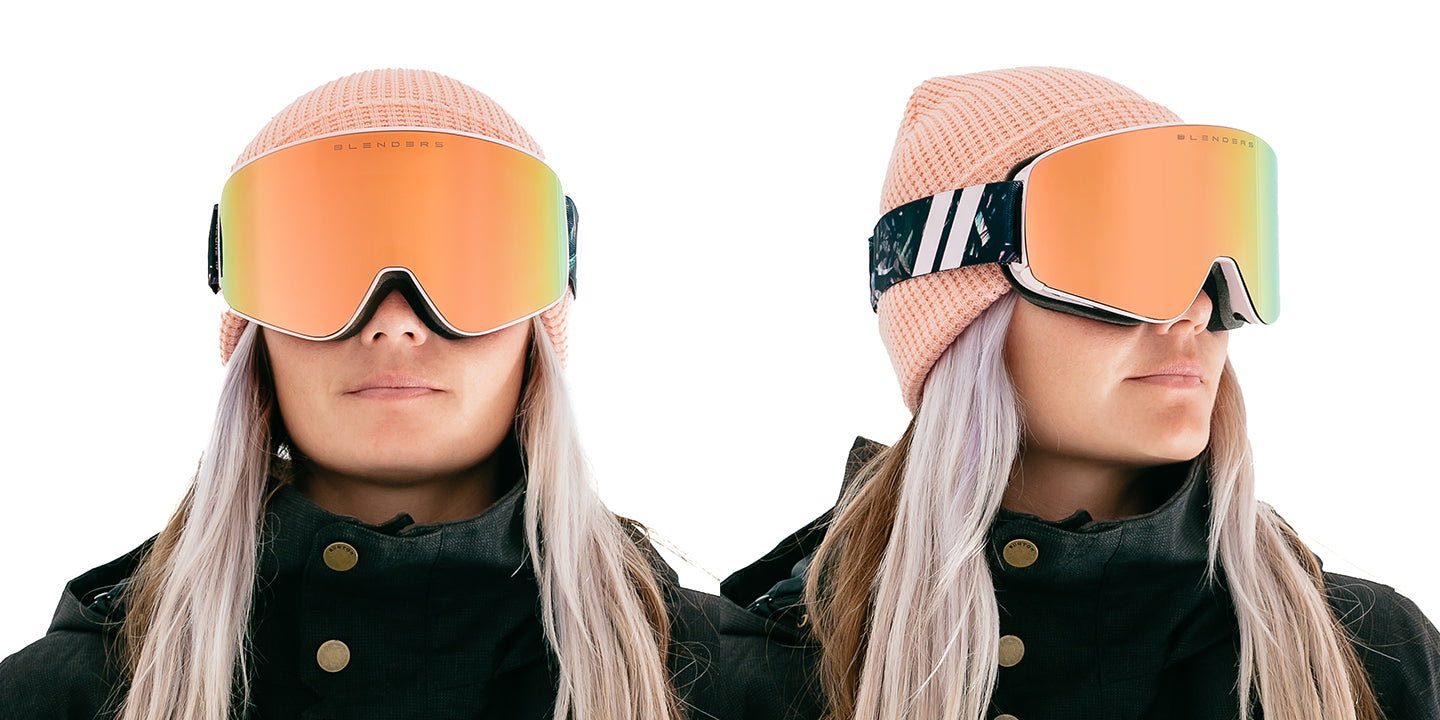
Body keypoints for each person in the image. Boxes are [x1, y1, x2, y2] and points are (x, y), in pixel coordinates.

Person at [0, 68, 817, 720]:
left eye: (465, 265)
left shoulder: (743, 693)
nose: (394, 323)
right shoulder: (61, 698)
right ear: (252, 332)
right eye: (322, 267)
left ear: (541, 325)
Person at [722, 67, 1440, 720]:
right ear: (962, 310)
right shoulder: (754, 677)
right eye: (1126, 257)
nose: (1196, 310)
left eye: (1218, 258)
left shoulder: (1371, 662)